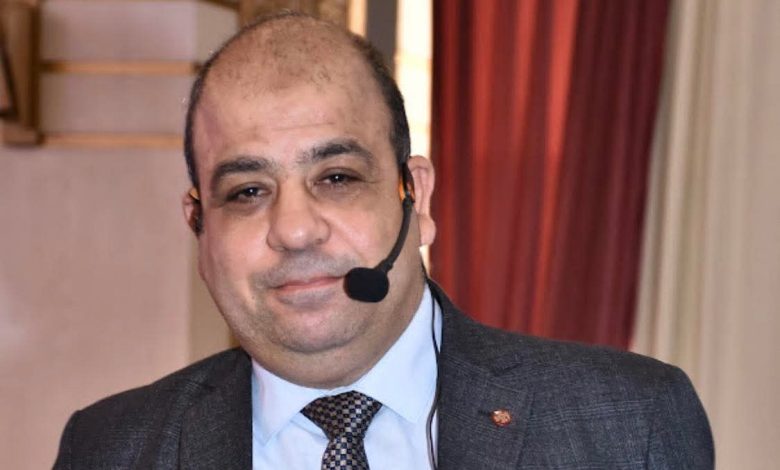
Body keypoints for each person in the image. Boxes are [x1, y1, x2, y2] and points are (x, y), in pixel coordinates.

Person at [53, 12, 714, 470]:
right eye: (248, 191)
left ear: (415, 199)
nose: (295, 230)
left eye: (337, 178)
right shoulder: (108, 450)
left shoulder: (630, 425)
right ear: (199, 228)